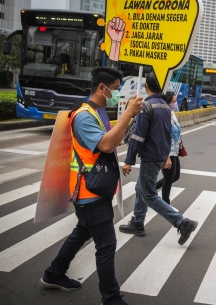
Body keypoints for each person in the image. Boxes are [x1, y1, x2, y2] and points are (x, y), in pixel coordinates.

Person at [40, 67, 143, 305]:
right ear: (101, 88)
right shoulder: (85, 115)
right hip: (90, 193)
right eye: (116, 89)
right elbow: (106, 145)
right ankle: (111, 298)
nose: (117, 94)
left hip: (93, 190)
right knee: (106, 245)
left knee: (80, 233)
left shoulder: (97, 112)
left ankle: (53, 274)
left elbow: (112, 141)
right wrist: (127, 114)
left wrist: (128, 119)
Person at [119, 73, 198, 244]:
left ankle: (182, 222)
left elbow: (137, 137)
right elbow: (166, 134)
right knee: (142, 187)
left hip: (150, 156)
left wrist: (129, 160)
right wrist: (165, 157)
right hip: (159, 155)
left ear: (146, 86)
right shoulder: (164, 106)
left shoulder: (146, 106)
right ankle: (138, 222)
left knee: (149, 195)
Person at [155, 91, 182, 211]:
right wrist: (167, 157)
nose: (175, 103)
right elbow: (163, 136)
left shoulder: (172, 113)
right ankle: (165, 204)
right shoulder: (164, 116)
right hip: (168, 152)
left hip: (175, 151)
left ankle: (148, 191)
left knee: (175, 177)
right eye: (174, 101)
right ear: (168, 102)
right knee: (169, 178)